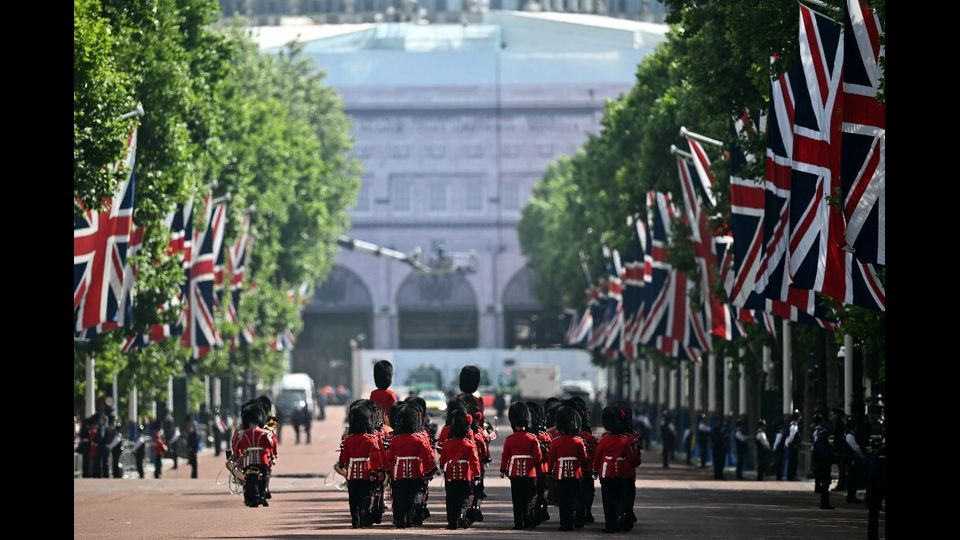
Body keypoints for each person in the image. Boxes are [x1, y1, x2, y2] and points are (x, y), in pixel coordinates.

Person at [385, 405, 437, 528]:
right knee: (414, 495)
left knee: (400, 497)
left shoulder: (396, 439)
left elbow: (390, 457)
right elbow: (427, 456)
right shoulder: (418, 439)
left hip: (399, 472)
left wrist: (387, 470)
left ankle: (401, 519)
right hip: (415, 471)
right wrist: (430, 470)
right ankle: (412, 517)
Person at [594, 405, 642, 533]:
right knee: (622, 499)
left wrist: (595, 470)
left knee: (608, 501)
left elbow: (598, 457)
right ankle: (623, 520)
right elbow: (633, 458)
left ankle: (611, 525)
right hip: (623, 473)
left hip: (606, 473)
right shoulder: (626, 440)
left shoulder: (604, 439)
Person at [500, 402, 542, 530]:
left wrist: (503, 470)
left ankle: (518, 523)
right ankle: (529, 521)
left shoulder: (510, 439)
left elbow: (505, 456)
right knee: (529, 498)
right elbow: (538, 457)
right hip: (530, 473)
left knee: (517, 499)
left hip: (514, 473)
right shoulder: (532, 438)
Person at [438, 409, 482, 530]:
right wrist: (477, 476)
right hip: (465, 475)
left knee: (451, 499)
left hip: (450, 475)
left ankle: (452, 522)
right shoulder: (469, 444)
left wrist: (442, 468)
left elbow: (442, 460)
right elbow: (475, 461)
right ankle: (461, 516)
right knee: (464, 498)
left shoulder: (447, 443)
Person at [547, 406, 588, 531]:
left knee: (563, 501)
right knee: (575, 499)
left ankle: (565, 524)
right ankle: (576, 520)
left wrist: (549, 472)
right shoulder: (578, 441)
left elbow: (551, 460)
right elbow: (584, 458)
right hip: (575, 474)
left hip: (560, 474)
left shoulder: (556, 442)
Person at [233, 400, 276, 508]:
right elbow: (272, 441)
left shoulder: (270, 420)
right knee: (265, 475)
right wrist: (273, 453)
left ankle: (254, 496)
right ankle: (262, 493)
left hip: (248, 458)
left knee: (247, 477)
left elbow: (236, 443)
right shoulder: (268, 424)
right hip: (263, 457)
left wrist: (236, 455)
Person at [811, 413, 835, 509]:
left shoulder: (818, 444)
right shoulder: (824, 446)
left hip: (820, 466)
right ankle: (824, 503)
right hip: (824, 467)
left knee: (825, 485)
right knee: (825, 485)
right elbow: (829, 454)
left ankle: (824, 502)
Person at [865, 434, 885, 540]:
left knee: (873, 515)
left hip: (876, 487)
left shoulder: (872, 457)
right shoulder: (872, 458)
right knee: (873, 515)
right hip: (875, 487)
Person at [370, 360, 398, 427]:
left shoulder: (373, 394)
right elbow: (395, 412)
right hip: (389, 426)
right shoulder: (391, 394)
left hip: (375, 425)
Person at [784, 410, 801, 480]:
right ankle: (792, 476)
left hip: (792, 446)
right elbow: (791, 437)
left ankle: (791, 475)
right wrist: (789, 443)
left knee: (792, 461)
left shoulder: (792, 425)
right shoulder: (794, 426)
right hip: (793, 446)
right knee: (793, 461)